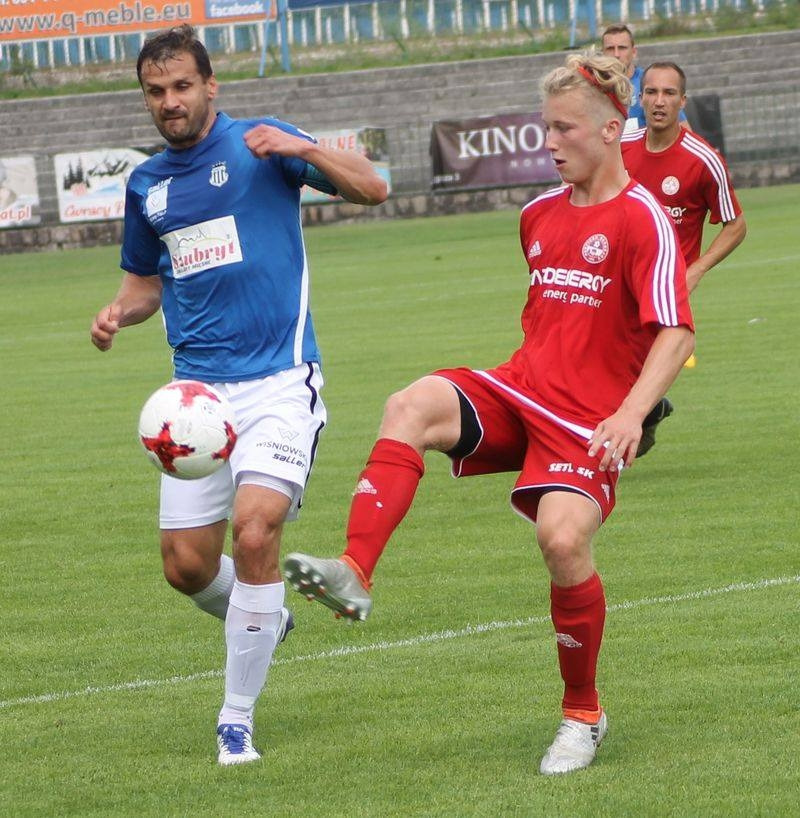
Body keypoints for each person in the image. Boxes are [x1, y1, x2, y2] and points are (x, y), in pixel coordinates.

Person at [284, 51, 695, 775]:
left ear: (609, 130)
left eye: (565, 129)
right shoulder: (537, 214)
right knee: (410, 404)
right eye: (546, 128)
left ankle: (583, 715)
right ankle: (353, 569)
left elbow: (677, 331)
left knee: (561, 542)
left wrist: (632, 414)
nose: (550, 142)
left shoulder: (643, 220)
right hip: (519, 391)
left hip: (586, 424)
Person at [90, 24, 387, 766]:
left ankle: (235, 721)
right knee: (186, 567)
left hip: (280, 381)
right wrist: (118, 312)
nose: (170, 101)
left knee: (255, 533)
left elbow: (373, 188)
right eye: (156, 91)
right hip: (195, 401)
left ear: (210, 85)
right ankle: (266, 617)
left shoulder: (262, 143)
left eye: (182, 86)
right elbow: (145, 282)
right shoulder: (147, 185)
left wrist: (304, 149)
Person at [621, 61, 746, 455]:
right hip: (618, 277)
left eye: (669, 93)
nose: (659, 101)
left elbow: (736, 225)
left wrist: (697, 269)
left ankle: (638, 417)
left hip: (665, 285)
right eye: (652, 92)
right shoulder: (621, 149)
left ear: (682, 101)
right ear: (641, 98)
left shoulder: (702, 159)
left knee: (633, 363)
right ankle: (649, 410)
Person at [601, 24, 689, 133]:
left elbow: (685, 132)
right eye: (610, 48)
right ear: (602, 53)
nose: (616, 54)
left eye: (622, 48)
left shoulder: (651, 83)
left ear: (634, 52)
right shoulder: (593, 87)